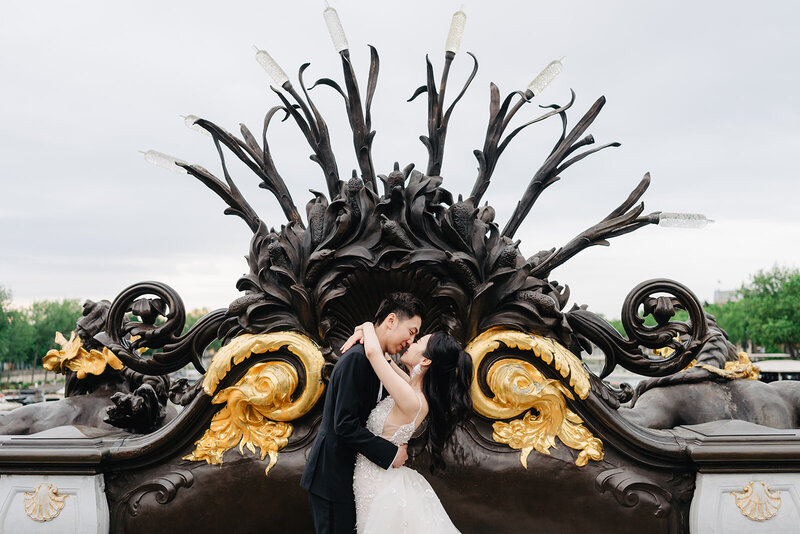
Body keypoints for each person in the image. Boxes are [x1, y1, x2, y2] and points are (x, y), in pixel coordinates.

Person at [301, 292, 425, 534]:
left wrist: (367, 329)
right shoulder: (357, 359)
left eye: (416, 336)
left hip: (351, 480)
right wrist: (390, 454)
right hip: (332, 480)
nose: (411, 341)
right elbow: (344, 425)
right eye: (411, 331)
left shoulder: (378, 360)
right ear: (391, 321)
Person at [342, 322, 473, 533]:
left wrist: (367, 326)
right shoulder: (411, 388)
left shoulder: (412, 399)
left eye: (418, 341)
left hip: (377, 483)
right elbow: (385, 360)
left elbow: (374, 354)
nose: (410, 343)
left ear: (426, 360)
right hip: (374, 475)